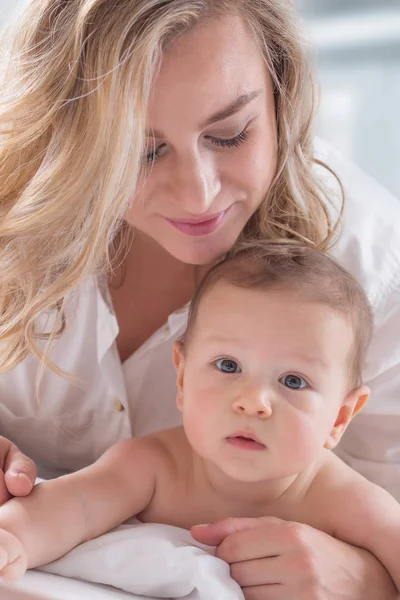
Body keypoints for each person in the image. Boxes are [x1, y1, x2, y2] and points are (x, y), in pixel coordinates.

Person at [0, 0, 399, 598]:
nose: (199, 193)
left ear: (279, 98)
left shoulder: (375, 272)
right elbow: (67, 508)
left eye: (230, 134)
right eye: (143, 151)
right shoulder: (16, 206)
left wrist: (366, 580)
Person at [0, 242, 399, 596]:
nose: (253, 402)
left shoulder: (345, 502)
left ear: (339, 417)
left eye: (293, 381)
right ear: (183, 376)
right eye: (228, 365)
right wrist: (13, 537)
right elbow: (76, 504)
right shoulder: (155, 465)